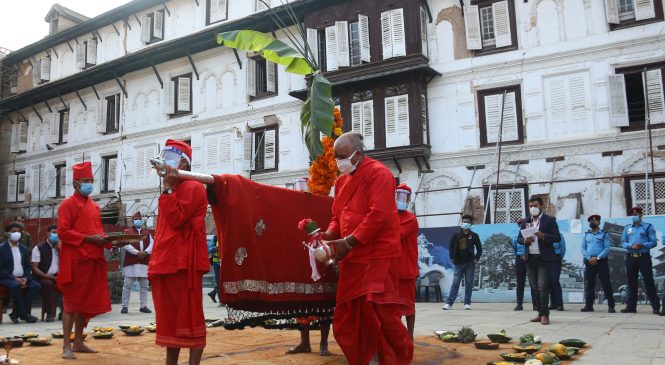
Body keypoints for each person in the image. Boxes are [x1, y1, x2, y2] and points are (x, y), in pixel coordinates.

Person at [321, 132, 412, 365]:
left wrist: (349, 241)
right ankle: (365, 357)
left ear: (358, 154)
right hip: (352, 258)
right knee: (348, 314)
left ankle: (395, 358)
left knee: (381, 312)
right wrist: (330, 234)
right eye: (335, 157)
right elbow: (337, 216)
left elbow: (378, 215)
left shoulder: (379, 174)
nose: (337, 162)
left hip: (378, 255)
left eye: (341, 157)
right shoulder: (341, 181)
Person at [148, 139, 209, 365]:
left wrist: (167, 188)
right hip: (167, 260)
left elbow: (175, 219)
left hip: (184, 263)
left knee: (189, 317)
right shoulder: (174, 187)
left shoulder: (191, 186)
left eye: (169, 158)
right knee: (170, 321)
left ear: (183, 162)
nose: (164, 163)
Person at [57, 161, 112, 359]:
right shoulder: (67, 205)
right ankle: (66, 346)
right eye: (85, 181)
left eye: (91, 180)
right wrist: (90, 239)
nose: (89, 183)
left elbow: (97, 232)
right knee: (71, 304)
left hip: (92, 260)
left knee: (84, 304)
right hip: (75, 261)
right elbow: (63, 232)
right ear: (75, 184)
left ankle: (78, 341)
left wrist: (111, 241)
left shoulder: (94, 206)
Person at [517, 196, 561, 325]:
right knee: (535, 287)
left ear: (541, 206)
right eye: (530, 206)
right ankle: (540, 313)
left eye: (535, 205)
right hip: (530, 258)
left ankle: (545, 315)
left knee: (543, 286)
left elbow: (557, 237)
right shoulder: (526, 221)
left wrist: (543, 236)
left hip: (544, 258)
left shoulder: (549, 220)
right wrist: (525, 240)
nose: (533, 208)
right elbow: (519, 238)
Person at [620, 207, 660, 314]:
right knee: (631, 283)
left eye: (636, 213)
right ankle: (631, 307)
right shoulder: (627, 228)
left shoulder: (648, 227)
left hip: (644, 257)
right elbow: (623, 242)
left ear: (641, 215)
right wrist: (631, 245)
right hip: (631, 257)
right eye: (632, 214)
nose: (634, 216)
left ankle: (655, 307)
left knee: (648, 282)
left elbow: (653, 242)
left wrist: (643, 244)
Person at [0, 223, 41, 324]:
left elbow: (28, 266)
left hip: (23, 277)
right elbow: (1, 268)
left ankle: (16, 313)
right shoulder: (1, 248)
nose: (17, 234)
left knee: (36, 285)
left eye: (19, 231)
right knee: (14, 286)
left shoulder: (23, 248)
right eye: (14, 231)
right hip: (6, 277)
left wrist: (25, 278)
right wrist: (14, 278)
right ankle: (23, 314)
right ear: (7, 233)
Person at [442, 215, 482, 311]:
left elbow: (479, 249)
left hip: (470, 263)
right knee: (455, 283)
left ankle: (467, 303)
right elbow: (451, 247)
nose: (466, 223)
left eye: (468, 222)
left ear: (470, 224)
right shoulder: (456, 235)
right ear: (462, 222)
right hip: (458, 263)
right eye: (464, 221)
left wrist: (476, 258)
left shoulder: (474, 236)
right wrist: (452, 258)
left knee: (468, 283)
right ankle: (449, 303)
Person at [395, 183, 419, 341]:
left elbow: (396, 234)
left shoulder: (410, 219)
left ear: (409, 199)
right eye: (398, 195)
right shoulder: (389, 215)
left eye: (404, 196)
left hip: (406, 268)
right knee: (393, 307)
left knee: (408, 306)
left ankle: (409, 337)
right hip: (391, 268)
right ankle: (396, 337)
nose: (401, 199)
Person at [580, 215, 615, 313]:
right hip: (589, 261)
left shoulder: (604, 234)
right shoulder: (587, 234)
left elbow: (607, 248)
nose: (592, 222)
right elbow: (583, 248)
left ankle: (611, 306)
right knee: (590, 284)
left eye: (595, 221)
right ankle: (588, 306)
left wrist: (597, 258)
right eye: (591, 221)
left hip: (601, 262)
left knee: (606, 283)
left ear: (599, 222)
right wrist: (588, 258)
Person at [121, 211, 153, 314]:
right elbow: (125, 244)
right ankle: (125, 306)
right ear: (132, 220)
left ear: (142, 220)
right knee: (127, 285)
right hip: (131, 262)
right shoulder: (127, 231)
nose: (137, 220)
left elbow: (153, 244)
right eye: (135, 219)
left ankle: (143, 306)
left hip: (144, 261)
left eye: (139, 218)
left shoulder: (147, 233)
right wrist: (137, 252)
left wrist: (145, 252)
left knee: (144, 286)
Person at [31, 225, 61, 322]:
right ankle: (49, 313)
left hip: (58, 275)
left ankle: (64, 312)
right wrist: (48, 276)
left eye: (57, 233)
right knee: (48, 285)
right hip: (43, 276)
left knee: (68, 283)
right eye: (53, 232)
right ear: (47, 233)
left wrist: (60, 248)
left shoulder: (60, 247)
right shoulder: (39, 247)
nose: (55, 235)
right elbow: (35, 267)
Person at [511, 219, 530, 311]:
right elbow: (514, 249)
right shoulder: (515, 237)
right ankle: (519, 304)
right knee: (520, 283)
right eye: (519, 225)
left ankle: (536, 304)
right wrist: (520, 256)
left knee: (533, 282)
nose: (520, 227)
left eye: (522, 225)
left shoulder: (530, 236)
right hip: (519, 259)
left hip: (530, 258)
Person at [548, 235, 566, 311]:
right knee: (549, 282)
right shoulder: (543, 235)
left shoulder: (559, 235)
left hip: (556, 258)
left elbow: (563, 249)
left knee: (555, 281)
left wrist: (559, 258)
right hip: (546, 259)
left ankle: (559, 304)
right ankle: (553, 304)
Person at [206, 236, 221, 305]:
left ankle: (213, 292)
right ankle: (221, 300)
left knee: (223, 281)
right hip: (217, 264)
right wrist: (215, 249)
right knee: (219, 281)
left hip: (226, 263)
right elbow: (209, 249)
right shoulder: (215, 238)